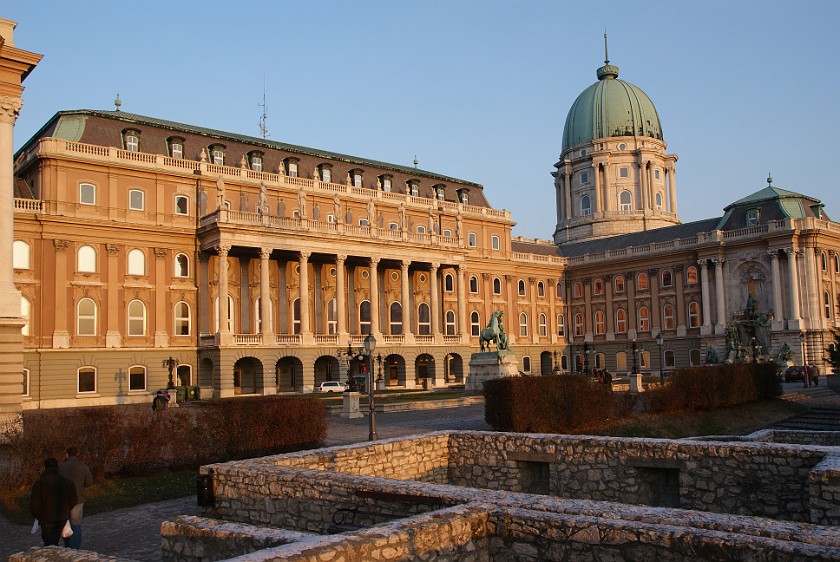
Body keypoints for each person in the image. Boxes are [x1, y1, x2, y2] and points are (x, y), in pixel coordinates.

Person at [30, 457, 77, 546]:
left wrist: (40, 516)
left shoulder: (40, 483)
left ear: (45, 467)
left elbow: (34, 504)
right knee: (54, 541)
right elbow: (73, 499)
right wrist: (66, 510)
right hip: (62, 517)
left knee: (49, 544)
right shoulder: (67, 481)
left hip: (47, 518)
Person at [59, 446, 94, 549]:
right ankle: (75, 548)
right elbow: (89, 482)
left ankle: (67, 545)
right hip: (78, 498)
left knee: (65, 523)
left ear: (67, 454)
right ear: (77, 454)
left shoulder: (60, 467)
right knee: (76, 524)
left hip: (63, 499)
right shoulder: (83, 466)